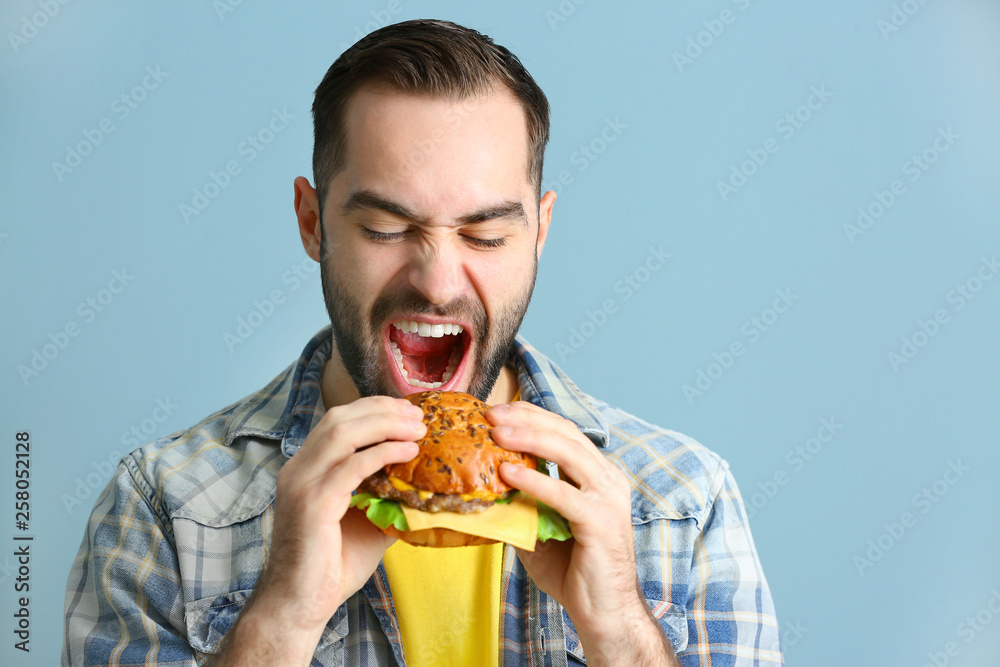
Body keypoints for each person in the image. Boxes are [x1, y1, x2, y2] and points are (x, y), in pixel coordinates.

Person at [63, 18, 783, 666]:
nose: (438, 282)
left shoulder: (683, 504)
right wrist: (279, 620)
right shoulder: (162, 508)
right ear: (312, 222)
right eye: (384, 228)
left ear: (540, 231)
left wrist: (624, 634)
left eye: (487, 233)